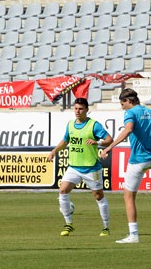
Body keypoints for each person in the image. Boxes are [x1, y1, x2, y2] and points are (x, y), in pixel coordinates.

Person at [101, 88, 151, 244]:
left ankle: (134, 235)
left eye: (122, 103)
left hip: (139, 160)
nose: (122, 107)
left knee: (128, 196)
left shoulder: (130, 113)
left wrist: (110, 147)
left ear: (128, 101)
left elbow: (128, 129)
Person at [47, 98, 113, 237]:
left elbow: (109, 140)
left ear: (87, 110)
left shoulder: (94, 125)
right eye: (76, 108)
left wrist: (97, 142)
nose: (77, 111)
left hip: (91, 168)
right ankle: (68, 223)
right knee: (63, 191)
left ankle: (106, 226)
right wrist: (54, 151)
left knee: (98, 196)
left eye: (81, 109)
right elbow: (65, 141)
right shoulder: (70, 125)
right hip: (74, 167)